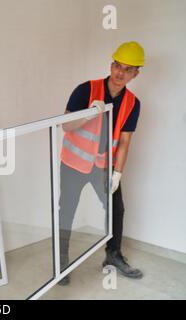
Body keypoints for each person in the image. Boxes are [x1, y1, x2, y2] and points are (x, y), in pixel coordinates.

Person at [58, 41, 145, 285]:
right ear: (111, 64)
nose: (120, 73)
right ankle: (61, 260)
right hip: (74, 163)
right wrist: (87, 114)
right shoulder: (86, 90)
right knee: (66, 211)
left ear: (136, 73)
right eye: (117, 65)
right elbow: (65, 125)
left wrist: (117, 173)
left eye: (127, 69)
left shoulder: (132, 104)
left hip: (103, 167)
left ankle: (113, 255)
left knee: (116, 209)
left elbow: (125, 142)